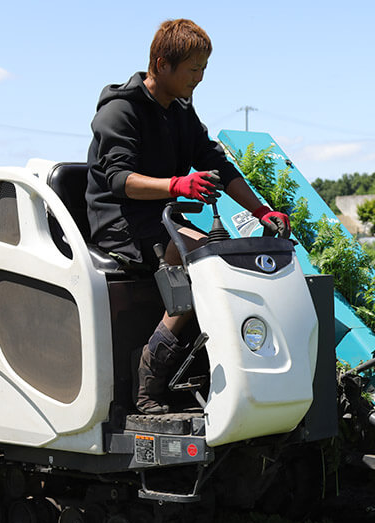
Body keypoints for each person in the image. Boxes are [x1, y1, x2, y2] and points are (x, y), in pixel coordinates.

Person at [85, 18, 290, 414]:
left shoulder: (180, 110)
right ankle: (149, 377)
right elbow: (119, 180)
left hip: (163, 219)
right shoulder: (120, 111)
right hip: (120, 223)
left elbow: (216, 164)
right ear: (162, 65)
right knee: (204, 258)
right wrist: (177, 185)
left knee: (226, 255)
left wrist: (262, 210)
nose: (199, 78)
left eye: (204, 69)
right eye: (193, 69)